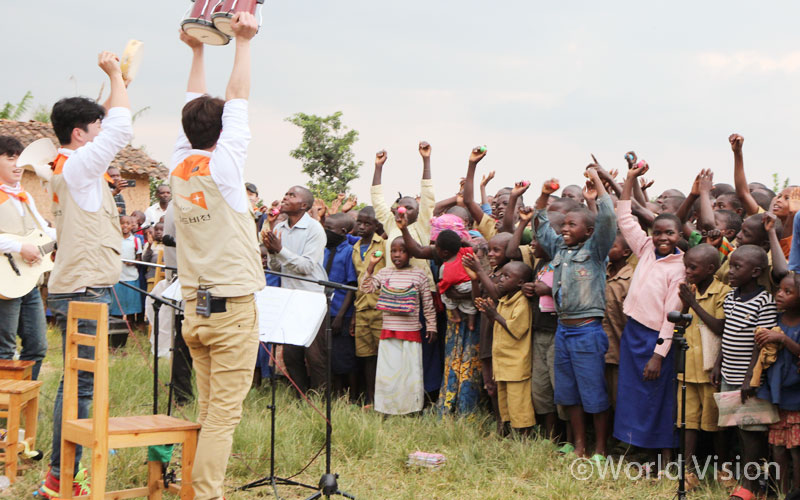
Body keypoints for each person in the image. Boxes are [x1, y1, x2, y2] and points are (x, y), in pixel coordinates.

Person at [171, 15, 264, 500]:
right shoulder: (226, 167)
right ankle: (205, 494)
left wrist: (198, 50)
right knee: (224, 415)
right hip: (230, 305)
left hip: (196, 303)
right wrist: (243, 44)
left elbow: (193, 108)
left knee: (207, 409)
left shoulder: (177, 165)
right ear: (221, 129)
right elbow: (239, 105)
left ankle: (192, 487)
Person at [37, 50, 133, 499]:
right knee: (80, 386)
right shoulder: (76, 166)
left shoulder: (72, 167)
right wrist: (115, 75)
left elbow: (114, 128)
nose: (102, 138)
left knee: (77, 383)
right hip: (84, 287)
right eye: (94, 131)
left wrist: (120, 82)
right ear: (80, 134)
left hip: (81, 283)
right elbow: (121, 128)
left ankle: (65, 470)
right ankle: (65, 473)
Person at [533, 166, 616, 460]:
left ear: (589, 232)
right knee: (569, 394)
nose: (564, 229)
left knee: (594, 393)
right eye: (564, 224)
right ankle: (580, 447)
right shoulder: (560, 250)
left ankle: (601, 450)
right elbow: (541, 226)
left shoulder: (595, 251)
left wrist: (596, 186)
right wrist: (543, 195)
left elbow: (608, 219)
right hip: (563, 330)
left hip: (587, 331)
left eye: (571, 225)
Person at [613, 162, 685, 464]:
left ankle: (665, 456)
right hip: (634, 332)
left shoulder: (679, 269)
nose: (662, 237)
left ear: (679, 235)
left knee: (658, 395)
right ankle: (640, 449)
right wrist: (629, 179)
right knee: (633, 393)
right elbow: (625, 217)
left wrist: (659, 354)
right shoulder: (644, 249)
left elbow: (672, 316)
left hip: (657, 339)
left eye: (669, 232)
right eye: (658, 232)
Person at [398, 213, 481, 415]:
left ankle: (466, 407)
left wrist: (458, 293)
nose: (434, 244)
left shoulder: (474, 252)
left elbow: (484, 282)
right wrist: (404, 229)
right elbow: (417, 250)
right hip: (454, 318)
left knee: (469, 360)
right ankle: (449, 402)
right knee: (452, 357)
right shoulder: (447, 250)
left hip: (474, 312)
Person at [713, 245, 778, 500]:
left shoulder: (765, 301)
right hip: (729, 373)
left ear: (756, 272)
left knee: (753, 431)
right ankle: (750, 481)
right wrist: (718, 363)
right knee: (739, 428)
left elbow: (760, 343)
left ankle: (751, 486)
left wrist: (750, 377)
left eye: (737, 267)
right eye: (731, 264)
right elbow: (727, 333)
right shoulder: (731, 296)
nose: (730, 271)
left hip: (749, 379)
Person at [360, 237, 437, 415]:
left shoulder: (418, 274)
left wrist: (432, 326)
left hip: (411, 332)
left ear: (410, 253)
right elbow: (367, 288)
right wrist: (371, 266)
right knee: (388, 372)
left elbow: (427, 303)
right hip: (389, 332)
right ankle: (387, 408)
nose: (397, 255)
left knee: (409, 373)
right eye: (393, 251)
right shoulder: (385, 273)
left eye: (402, 251)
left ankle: (410, 408)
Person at [263, 184, 327, 394]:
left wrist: (280, 250)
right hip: (289, 298)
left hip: (311, 298)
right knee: (291, 355)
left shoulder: (315, 229)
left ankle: (320, 398)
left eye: (292, 195)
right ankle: (300, 396)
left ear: (304, 205)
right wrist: (273, 252)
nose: (285, 197)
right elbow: (275, 268)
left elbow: (307, 267)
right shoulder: (279, 229)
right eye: (285, 194)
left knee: (315, 355)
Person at [676, 244, 731, 489]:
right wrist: (686, 304)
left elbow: (720, 327)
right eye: (685, 266)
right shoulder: (690, 290)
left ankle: (723, 470)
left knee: (716, 425)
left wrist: (693, 303)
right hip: (688, 368)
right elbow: (680, 326)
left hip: (711, 369)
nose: (687, 271)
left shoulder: (723, 292)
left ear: (711, 268)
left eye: (693, 267)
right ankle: (688, 473)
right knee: (688, 423)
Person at [0, 135, 53, 380]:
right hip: (4, 282)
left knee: (37, 346)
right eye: (10, 158)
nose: (17, 164)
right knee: (4, 349)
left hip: (28, 281)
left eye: (20, 159)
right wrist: (20, 246)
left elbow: (44, 232)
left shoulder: (25, 196)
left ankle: (24, 401)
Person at [475, 261, 534, 435]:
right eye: (502, 274)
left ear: (520, 283)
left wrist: (494, 315)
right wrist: (490, 314)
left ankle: (524, 435)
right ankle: (507, 432)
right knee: (505, 401)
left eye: (507, 276)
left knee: (519, 404)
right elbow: (501, 326)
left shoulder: (522, 303)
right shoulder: (504, 300)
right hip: (502, 362)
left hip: (516, 364)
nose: (501, 279)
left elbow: (515, 329)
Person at [755, 273, 800, 495]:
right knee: (777, 448)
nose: (779, 294)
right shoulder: (775, 320)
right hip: (777, 393)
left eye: (787, 292)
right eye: (779, 290)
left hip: (796, 396)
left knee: (796, 450)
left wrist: (782, 339)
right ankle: (782, 492)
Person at [465, 232, 512, 428]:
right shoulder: (491, 272)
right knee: (490, 382)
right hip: (486, 333)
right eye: (489, 250)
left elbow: (496, 293)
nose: (491, 254)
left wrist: (479, 271)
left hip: (499, 333)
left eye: (496, 250)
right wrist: (475, 279)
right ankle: (499, 421)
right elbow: (478, 301)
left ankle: (508, 422)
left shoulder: (509, 273)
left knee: (502, 380)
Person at [322, 213, 359, 400]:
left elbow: (351, 286)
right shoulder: (324, 250)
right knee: (331, 357)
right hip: (323, 310)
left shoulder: (349, 252)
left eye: (329, 229)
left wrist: (340, 316)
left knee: (344, 356)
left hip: (340, 314)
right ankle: (335, 395)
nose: (325, 231)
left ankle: (352, 396)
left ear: (343, 231)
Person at [351, 206, 385, 405]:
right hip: (362, 308)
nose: (362, 227)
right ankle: (371, 399)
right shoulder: (355, 247)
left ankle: (384, 399)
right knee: (366, 356)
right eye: (359, 222)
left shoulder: (383, 245)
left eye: (367, 223)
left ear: (376, 226)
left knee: (383, 355)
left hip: (380, 308)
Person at [602, 233, 634, 411]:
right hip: (602, 345)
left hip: (620, 345)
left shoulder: (631, 279)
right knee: (603, 393)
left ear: (626, 252)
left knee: (618, 394)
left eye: (612, 246)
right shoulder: (603, 270)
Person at [110, 215, 143, 318]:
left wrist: (132, 262)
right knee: (116, 302)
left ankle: (130, 323)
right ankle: (117, 323)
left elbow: (139, 259)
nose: (125, 226)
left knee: (131, 302)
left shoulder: (135, 241)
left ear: (131, 226)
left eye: (128, 224)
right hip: (117, 277)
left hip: (131, 276)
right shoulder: (115, 240)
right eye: (122, 223)